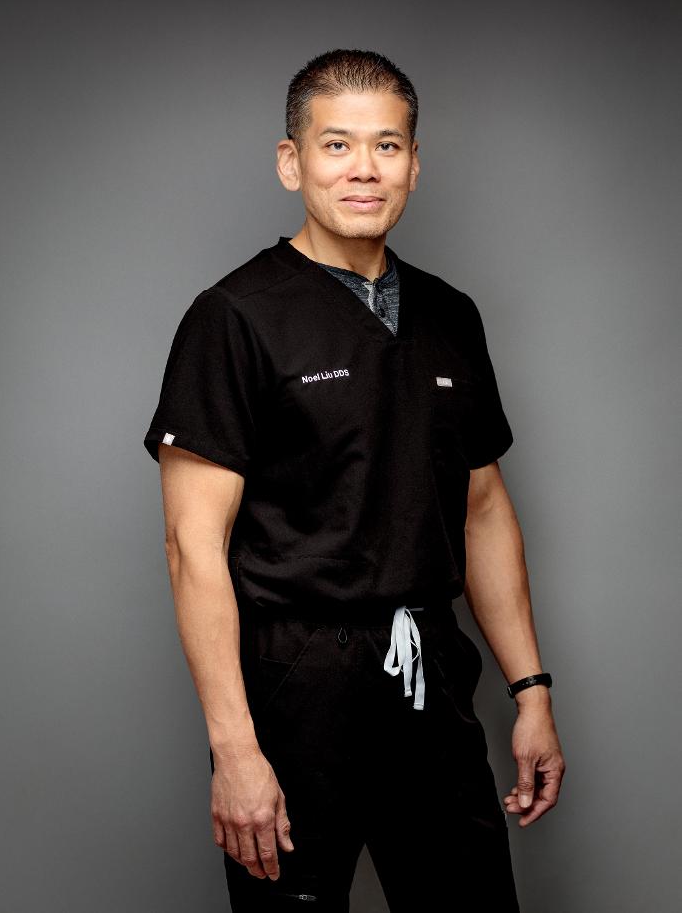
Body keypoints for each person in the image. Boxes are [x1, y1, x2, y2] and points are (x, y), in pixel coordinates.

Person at [143, 48, 566, 912]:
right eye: (336, 145)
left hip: (430, 671)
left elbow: (484, 510)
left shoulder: (451, 315)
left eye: (387, 145)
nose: (364, 169)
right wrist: (236, 749)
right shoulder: (235, 316)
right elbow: (193, 547)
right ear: (291, 161)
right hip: (297, 680)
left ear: (414, 164)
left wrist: (530, 691)